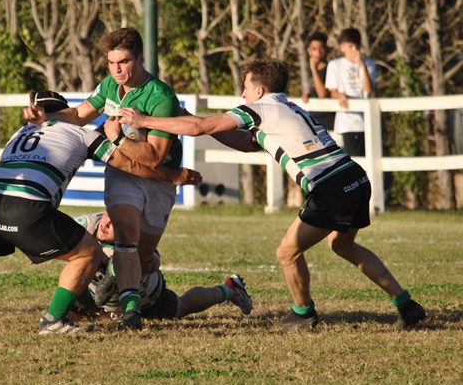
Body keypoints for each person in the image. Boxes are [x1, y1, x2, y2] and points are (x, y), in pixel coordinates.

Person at [117, 58, 426, 330]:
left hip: (330, 187)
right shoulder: (287, 108)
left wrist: (144, 121)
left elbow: (200, 126)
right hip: (355, 178)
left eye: (246, 88)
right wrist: (181, 115)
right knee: (343, 246)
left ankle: (303, 314)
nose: (242, 95)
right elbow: (247, 141)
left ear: (259, 91)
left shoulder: (260, 107)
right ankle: (407, 306)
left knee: (286, 252)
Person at [0, 91, 200, 336]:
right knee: (87, 254)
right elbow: (129, 164)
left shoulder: (20, 133)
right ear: (64, 112)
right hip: (27, 207)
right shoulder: (80, 134)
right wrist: (172, 176)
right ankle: (54, 320)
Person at [23, 28, 184, 330]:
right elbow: (80, 114)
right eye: (112, 63)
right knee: (125, 234)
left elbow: (154, 157)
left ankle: (126, 279)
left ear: (140, 58)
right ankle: (132, 313)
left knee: (145, 258)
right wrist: (45, 116)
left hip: (158, 180)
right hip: (123, 171)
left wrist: (117, 138)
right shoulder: (109, 85)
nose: (117, 69)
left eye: (123, 62)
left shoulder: (160, 96)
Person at [71, 211, 252, 322]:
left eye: (113, 226)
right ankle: (55, 319)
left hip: (145, 294)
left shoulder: (136, 235)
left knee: (182, 306)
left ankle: (230, 289)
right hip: (97, 291)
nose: (105, 225)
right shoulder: (84, 225)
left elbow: (153, 262)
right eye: (106, 218)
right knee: (71, 312)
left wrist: (134, 263)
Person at [325, 28, 377, 156]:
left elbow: (369, 90)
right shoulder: (334, 65)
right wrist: (340, 95)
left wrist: (362, 66)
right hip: (346, 124)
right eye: (350, 46)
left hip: (367, 122)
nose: (354, 50)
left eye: (356, 46)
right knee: (352, 162)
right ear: (342, 47)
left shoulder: (369, 64)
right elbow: (332, 93)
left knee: (369, 163)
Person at [301, 31, 335, 132]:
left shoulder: (331, 68)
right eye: (314, 49)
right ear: (309, 51)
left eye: (321, 48)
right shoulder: (310, 70)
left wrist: (314, 70)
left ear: (326, 49)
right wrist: (308, 94)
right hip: (314, 121)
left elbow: (323, 95)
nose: (318, 52)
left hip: (328, 123)